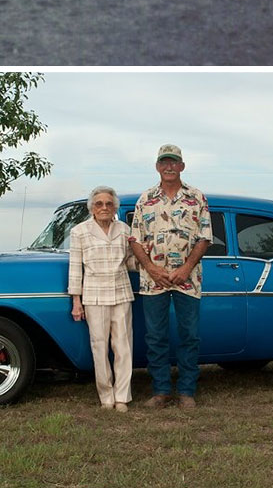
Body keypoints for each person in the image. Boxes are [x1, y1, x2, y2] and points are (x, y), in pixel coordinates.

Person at [129, 144, 211, 408]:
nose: (169, 167)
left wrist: (186, 268)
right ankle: (161, 391)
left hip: (189, 278)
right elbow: (135, 240)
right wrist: (152, 269)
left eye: (174, 162)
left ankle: (187, 391)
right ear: (157, 166)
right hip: (154, 280)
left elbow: (204, 237)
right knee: (155, 336)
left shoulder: (196, 197)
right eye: (164, 162)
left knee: (189, 335)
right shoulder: (145, 199)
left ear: (182, 166)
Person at [68, 185, 135, 411]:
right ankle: (106, 396)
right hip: (94, 296)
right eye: (99, 204)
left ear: (115, 207)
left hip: (122, 292)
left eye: (108, 203)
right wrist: (76, 302)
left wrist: (149, 256)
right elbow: (76, 268)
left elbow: (129, 262)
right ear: (92, 208)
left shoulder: (125, 230)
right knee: (99, 346)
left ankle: (122, 397)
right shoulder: (79, 232)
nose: (104, 207)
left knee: (123, 346)